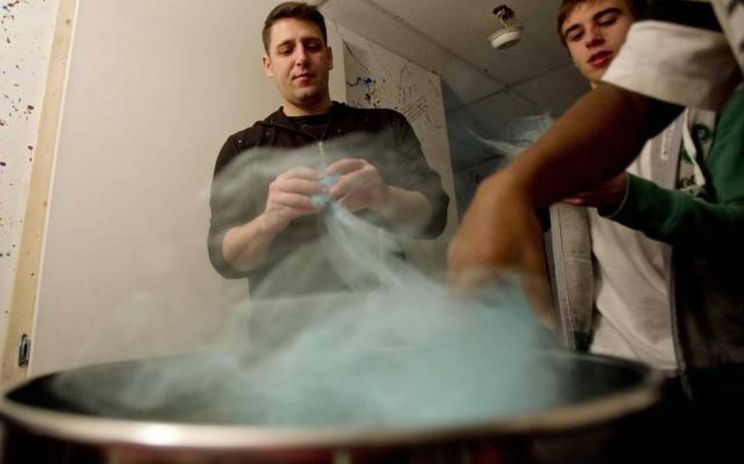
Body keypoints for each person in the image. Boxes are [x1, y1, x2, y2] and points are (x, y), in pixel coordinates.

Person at [449, 0, 744, 403]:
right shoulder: (566, 148)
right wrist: (505, 193)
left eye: (607, 20)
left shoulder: (719, 106)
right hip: (615, 369)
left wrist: (630, 196)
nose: (592, 38)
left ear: (644, 26)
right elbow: (631, 100)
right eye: (575, 34)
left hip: (713, 370)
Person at [208, 2, 448, 298]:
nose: (301, 58)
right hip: (290, 325)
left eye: (311, 46)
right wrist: (267, 222)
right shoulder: (242, 148)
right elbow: (223, 260)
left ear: (329, 56)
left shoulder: (386, 125)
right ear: (268, 65)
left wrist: (383, 196)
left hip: (386, 318)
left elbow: (435, 216)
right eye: (286, 50)